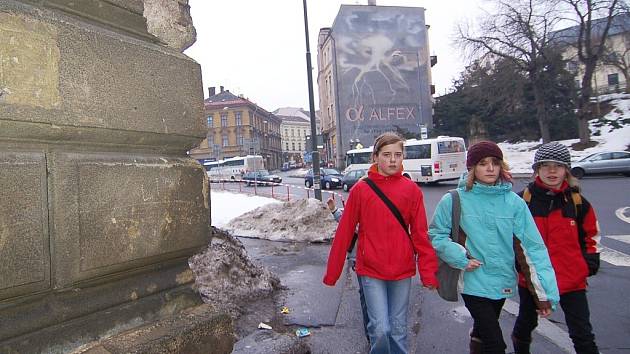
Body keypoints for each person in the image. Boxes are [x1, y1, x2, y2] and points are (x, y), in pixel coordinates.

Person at [429, 141, 559, 354]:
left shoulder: (514, 203)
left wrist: (544, 294)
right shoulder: (453, 199)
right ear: (472, 168)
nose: (490, 168)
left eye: (495, 163)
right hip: (472, 281)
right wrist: (460, 257)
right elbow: (436, 235)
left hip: (502, 280)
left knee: (482, 333)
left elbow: (532, 248)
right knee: (496, 344)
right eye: (482, 163)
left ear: (501, 166)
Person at [323, 132, 439, 354]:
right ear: (375, 157)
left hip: (402, 268)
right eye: (386, 155)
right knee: (381, 329)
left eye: (397, 154)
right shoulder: (361, 189)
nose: (393, 160)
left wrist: (428, 273)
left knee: (398, 329)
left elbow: (421, 235)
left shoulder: (411, 190)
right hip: (371, 269)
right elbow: (345, 233)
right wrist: (333, 272)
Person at [511, 142, 601, 354]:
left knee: (582, 334)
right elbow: (509, 237)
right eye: (545, 166)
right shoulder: (521, 201)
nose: (552, 171)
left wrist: (588, 263)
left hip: (571, 279)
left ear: (566, 170)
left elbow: (592, 235)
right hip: (533, 280)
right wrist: (519, 265)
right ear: (537, 170)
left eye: (558, 166)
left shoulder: (578, 202)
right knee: (526, 325)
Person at [326, 197, 369, 343]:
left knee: (368, 296)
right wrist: (334, 210)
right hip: (358, 259)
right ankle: (371, 333)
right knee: (365, 295)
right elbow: (346, 222)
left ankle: (374, 331)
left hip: (372, 260)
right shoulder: (360, 211)